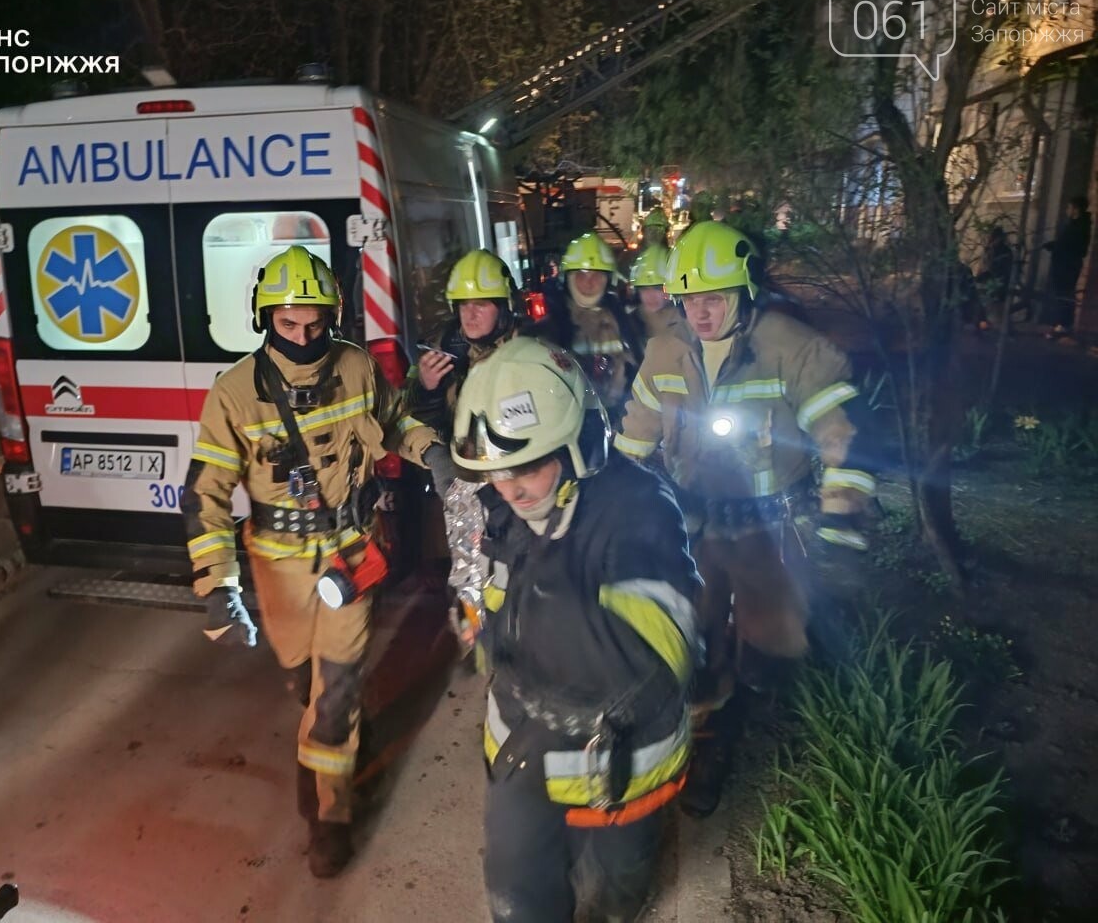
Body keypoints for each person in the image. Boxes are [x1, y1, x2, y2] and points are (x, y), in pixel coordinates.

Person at [180, 246, 451, 878]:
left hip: (352, 552)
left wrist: (432, 451)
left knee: (334, 695)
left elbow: (396, 420)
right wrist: (217, 586)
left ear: (333, 318)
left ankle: (328, 816)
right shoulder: (235, 393)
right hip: (278, 569)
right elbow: (205, 494)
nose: (303, 338)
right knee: (305, 683)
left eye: (315, 324)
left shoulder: (356, 366)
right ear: (264, 318)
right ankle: (335, 729)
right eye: (288, 324)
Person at [614, 220, 874, 817]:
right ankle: (709, 742)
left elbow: (844, 440)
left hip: (771, 525)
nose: (701, 313)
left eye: (715, 298)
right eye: (690, 300)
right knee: (695, 641)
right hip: (695, 525)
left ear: (745, 291)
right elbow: (635, 438)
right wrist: (613, 510)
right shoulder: (666, 351)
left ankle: (761, 690)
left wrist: (839, 527)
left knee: (773, 648)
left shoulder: (791, 347)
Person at [452, 336, 701, 923]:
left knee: (619, 888)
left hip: (618, 761)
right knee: (516, 891)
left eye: (526, 468)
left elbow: (663, 650)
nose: (509, 489)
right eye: (495, 473)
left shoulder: (638, 511)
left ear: (576, 445)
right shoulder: (503, 508)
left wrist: (555, 603)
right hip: (521, 753)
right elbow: (493, 598)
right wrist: (481, 628)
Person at [529, 232, 643, 422]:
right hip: (572, 420)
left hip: (619, 415)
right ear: (568, 279)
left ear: (608, 280)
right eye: (581, 275)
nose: (589, 283)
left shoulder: (622, 319)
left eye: (596, 275)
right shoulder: (550, 327)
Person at [407, 249, 520, 438]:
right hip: (463, 452)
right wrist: (427, 390)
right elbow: (416, 422)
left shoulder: (527, 347)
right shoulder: (442, 347)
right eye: (463, 304)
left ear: (504, 306)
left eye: (480, 304)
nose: (470, 314)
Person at [1043, 195, 1091, 331]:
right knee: (1062, 294)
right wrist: (1054, 245)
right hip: (1063, 264)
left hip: (1068, 266)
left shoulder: (1080, 226)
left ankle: (1064, 324)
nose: (1067, 210)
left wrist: (1056, 247)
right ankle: (1061, 323)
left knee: (1065, 294)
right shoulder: (1074, 224)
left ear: (1076, 209)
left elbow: (1072, 246)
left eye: (1069, 207)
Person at [629, 243, 677, 350]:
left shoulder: (688, 320)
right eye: (644, 288)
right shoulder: (629, 322)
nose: (650, 296)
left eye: (657, 288)